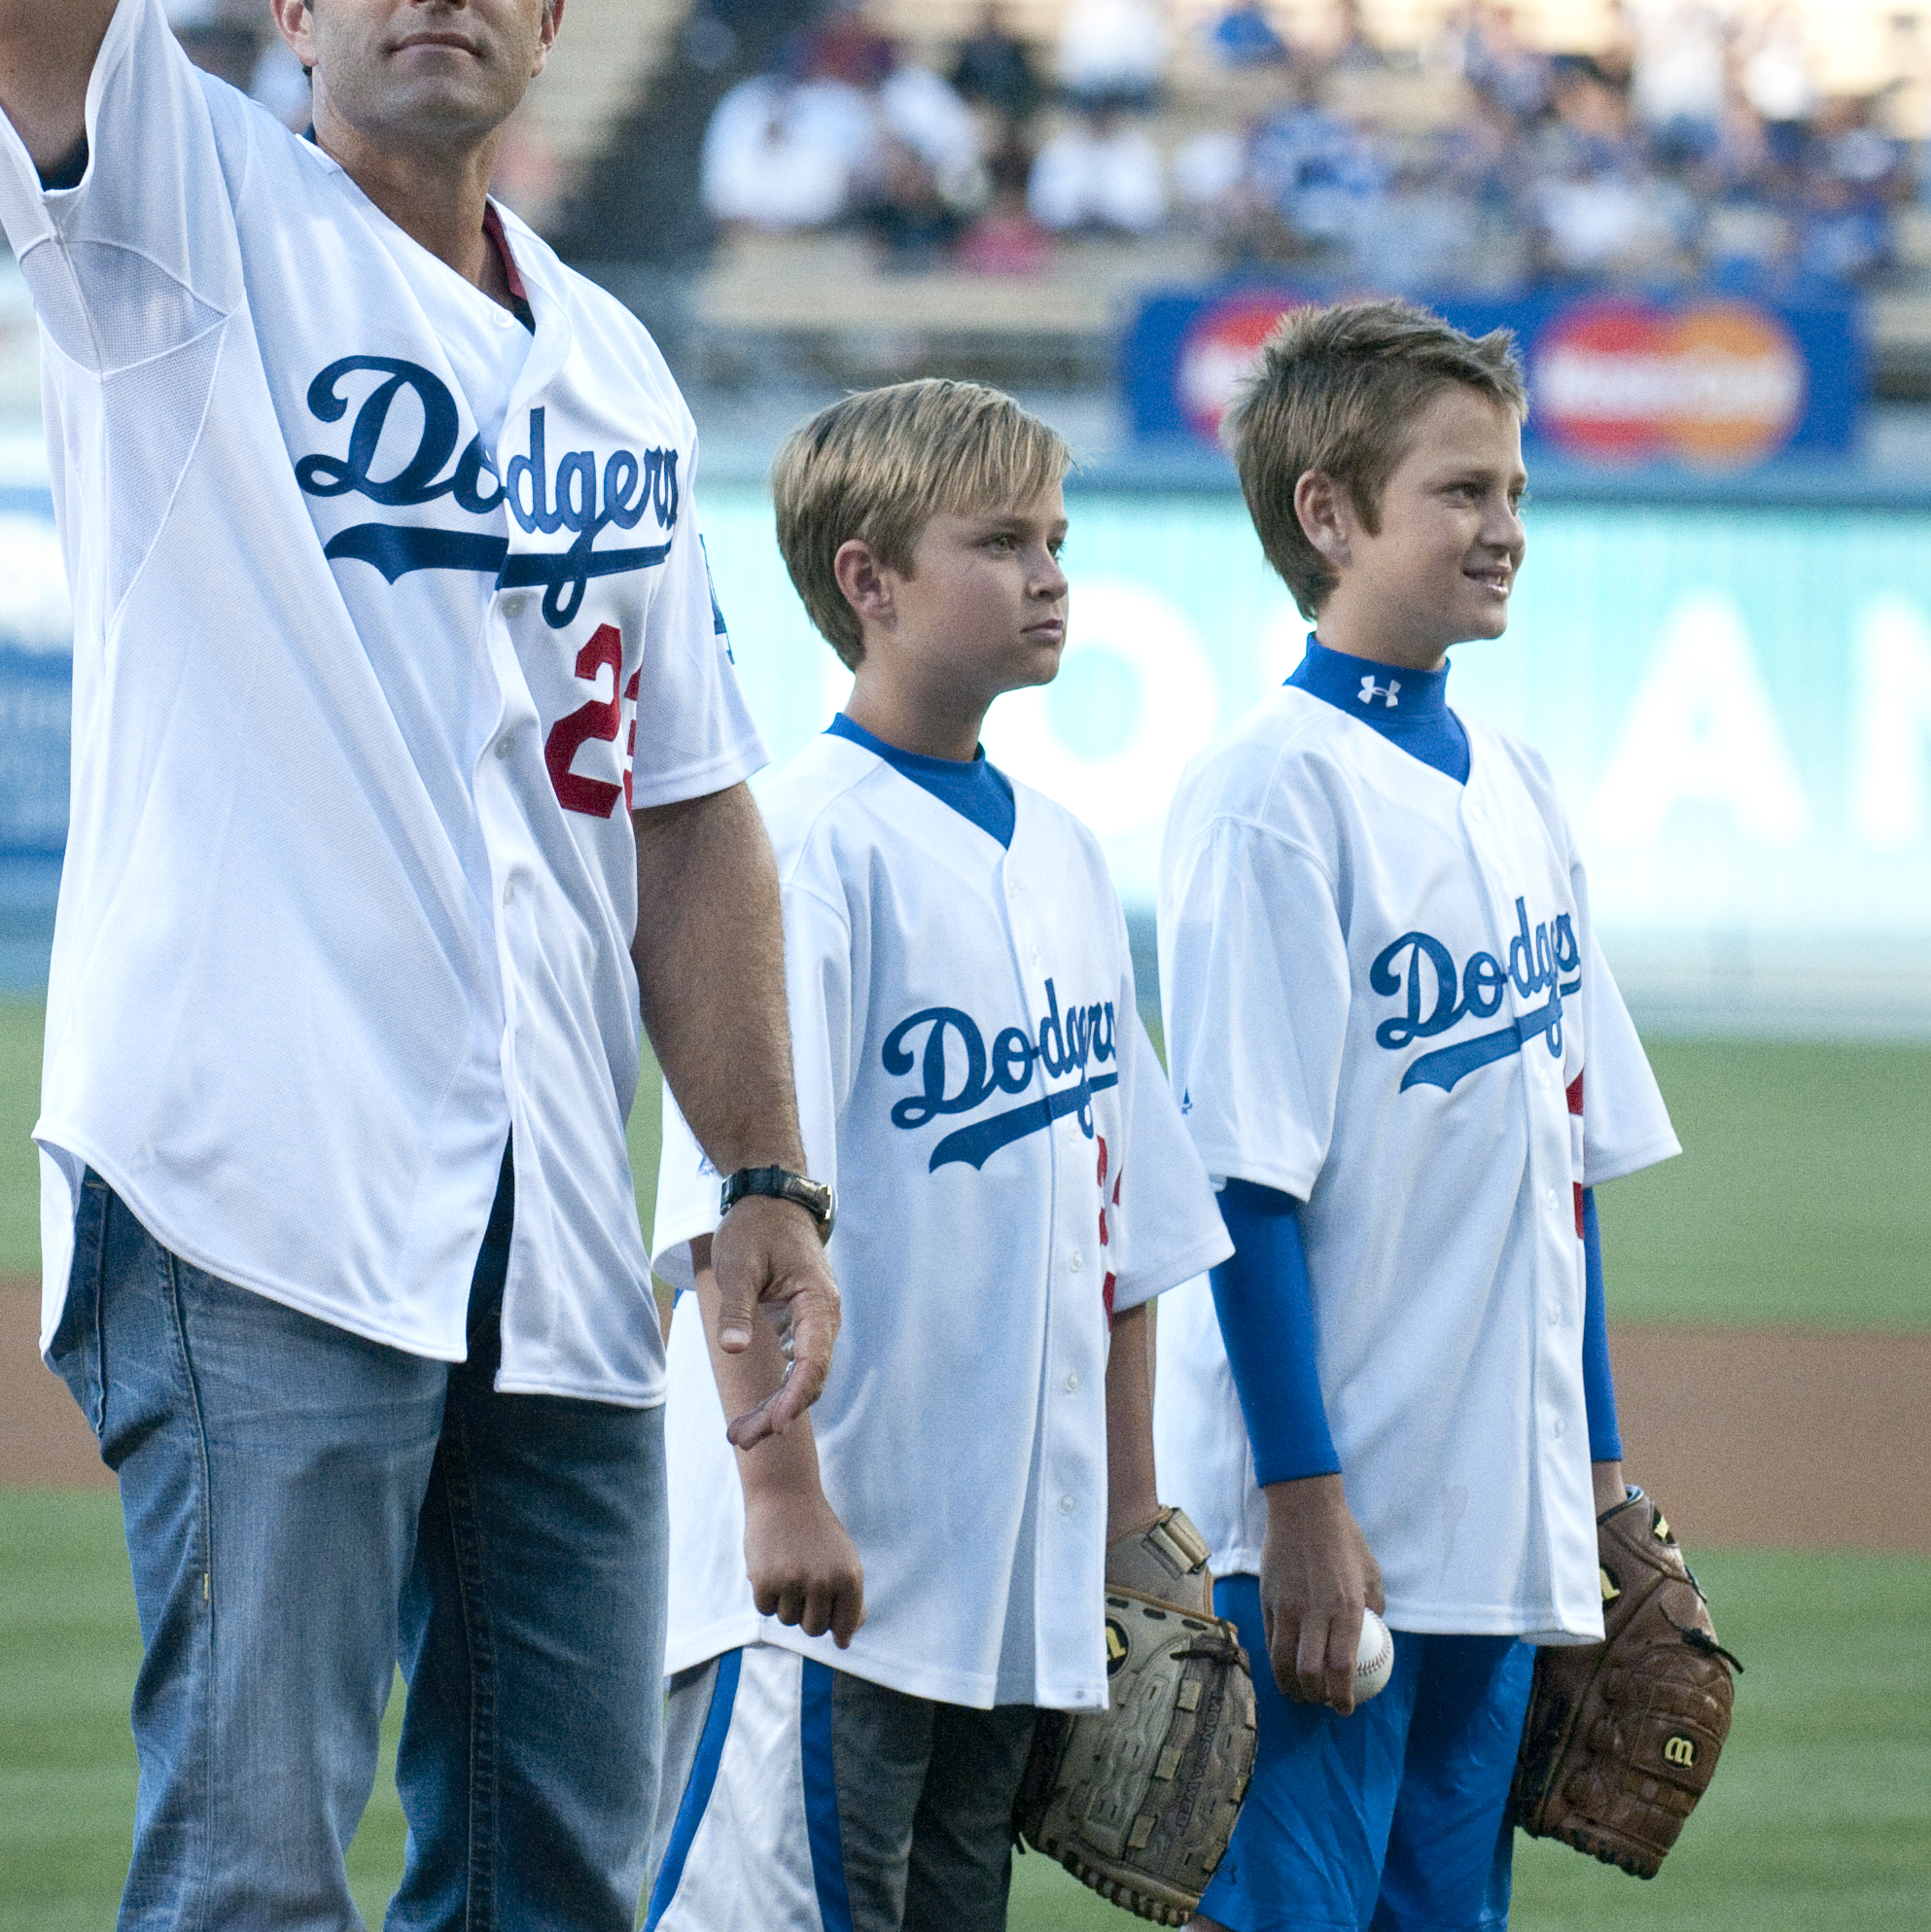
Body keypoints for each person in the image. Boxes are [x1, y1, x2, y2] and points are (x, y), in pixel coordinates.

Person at [0, 0, 840, 1932]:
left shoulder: (625, 377)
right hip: (251, 1187)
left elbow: (692, 822)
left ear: (554, 8)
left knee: (553, 1874)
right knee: (247, 1870)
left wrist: (759, 1173)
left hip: (561, 1241)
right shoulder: (186, 229)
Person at [648, 378, 1231, 1932]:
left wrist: (1127, 1525)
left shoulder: (1061, 858)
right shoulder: (799, 849)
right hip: (827, 1578)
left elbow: (1126, 1235)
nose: (1050, 574)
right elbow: (729, 1215)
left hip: (1007, 1595)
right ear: (868, 580)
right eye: (999, 542)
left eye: (1057, 537)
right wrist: (777, 1494)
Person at [1151, 298, 1681, 1932]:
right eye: (1462, 491)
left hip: (1499, 1532)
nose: (1507, 528)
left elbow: (1566, 1184)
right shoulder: (1269, 795)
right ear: (1329, 511)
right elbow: (1242, 1192)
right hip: (1328, 1530)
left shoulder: (1517, 784)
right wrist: (1300, 1510)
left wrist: (1594, 1488)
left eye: (1513, 489)